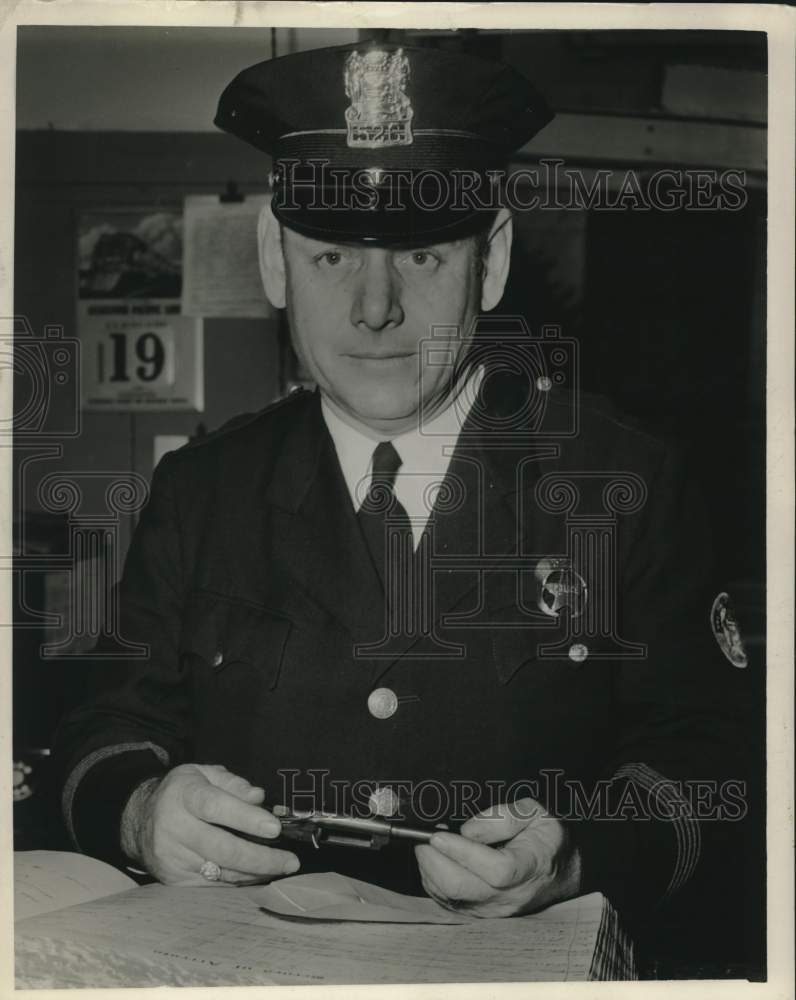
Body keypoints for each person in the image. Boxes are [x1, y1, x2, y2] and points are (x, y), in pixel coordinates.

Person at [53, 41, 748, 955]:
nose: (374, 308)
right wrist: (143, 813)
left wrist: (578, 858)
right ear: (275, 258)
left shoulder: (625, 481)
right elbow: (104, 727)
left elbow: (713, 769)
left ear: (490, 260)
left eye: (420, 257)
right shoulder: (200, 493)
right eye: (332, 256)